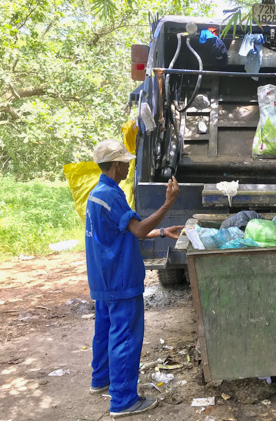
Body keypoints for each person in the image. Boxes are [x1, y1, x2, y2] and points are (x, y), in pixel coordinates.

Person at [85, 139, 183, 418]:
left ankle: (100, 380)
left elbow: (123, 231)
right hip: (119, 279)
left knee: (105, 332)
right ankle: (123, 400)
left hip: (103, 279)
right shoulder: (112, 195)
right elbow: (138, 231)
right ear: (116, 165)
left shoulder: (98, 194)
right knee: (125, 337)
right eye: (126, 162)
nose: (129, 166)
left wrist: (163, 232)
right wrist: (168, 204)